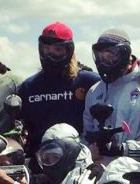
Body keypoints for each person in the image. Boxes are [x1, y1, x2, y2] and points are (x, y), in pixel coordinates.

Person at [83, 29, 140, 165]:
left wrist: (122, 149)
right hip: (101, 178)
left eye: (109, 56)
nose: (103, 62)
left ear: (124, 54)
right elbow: (86, 136)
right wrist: (89, 150)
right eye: (100, 57)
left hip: (138, 177)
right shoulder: (94, 92)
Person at [18, 22, 101, 155]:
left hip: (79, 161)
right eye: (46, 49)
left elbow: (118, 84)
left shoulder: (88, 81)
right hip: (40, 164)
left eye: (57, 50)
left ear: (69, 51)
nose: (50, 55)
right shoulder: (29, 86)